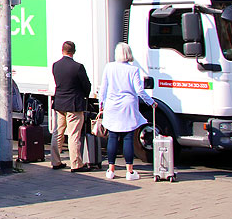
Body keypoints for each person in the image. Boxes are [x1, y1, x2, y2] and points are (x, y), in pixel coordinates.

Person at [99, 42, 156, 180]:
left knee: (112, 137)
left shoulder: (109, 67)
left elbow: (103, 88)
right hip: (128, 106)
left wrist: (101, 104)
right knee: (128, 138)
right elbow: (139, 91)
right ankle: (129, 171)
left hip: (112, 105)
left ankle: (111, 170)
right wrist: (151, 102)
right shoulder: (133, 70)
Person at [51, 40, 93, 172]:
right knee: (73, 134)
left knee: (58, 132)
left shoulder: (55, 65)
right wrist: (85, 95)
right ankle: (76, 164)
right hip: (74, 104)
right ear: (74, 51)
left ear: (62, 50)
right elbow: (86, 85)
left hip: (60, 103)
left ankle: (55, 161)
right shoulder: (78, 67)